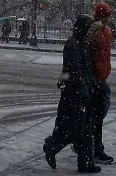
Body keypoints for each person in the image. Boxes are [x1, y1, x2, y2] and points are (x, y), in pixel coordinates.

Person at [43, 15, 101, 173]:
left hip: (84, 92)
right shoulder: (72, 44)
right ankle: (52, 146)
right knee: (74, 128)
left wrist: (93, 85)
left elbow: (86, 70)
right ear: (82, 28)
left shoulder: (83, 44)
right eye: (89, 29)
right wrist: (83, 90)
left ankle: (86, 163)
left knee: (86, 129)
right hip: (73, 94)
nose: (91, 33)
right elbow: (74, 71)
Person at [87, 2, 114, 165]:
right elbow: (88, 51)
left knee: (99, 115)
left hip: (101, 77)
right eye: (105, 17)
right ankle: (96, 148)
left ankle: (94, 147)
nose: (107, 20)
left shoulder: (106, 32)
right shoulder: (94, 31)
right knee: (96, 117)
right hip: (94, 79)